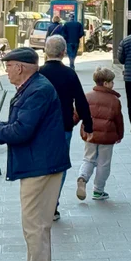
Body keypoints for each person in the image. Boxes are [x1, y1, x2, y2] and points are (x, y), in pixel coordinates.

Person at [0, 47, 69, 261]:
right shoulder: (33, 88)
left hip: (41, 165)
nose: (6, 71)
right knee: (33, 224)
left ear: (21, 67)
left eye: (8, 66)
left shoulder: (37, 90)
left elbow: (22, 130)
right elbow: (18, 125)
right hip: (38, 162)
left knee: (35, 224)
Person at [40, 35, 92, 221]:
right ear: (63, 52)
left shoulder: (39, 73)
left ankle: (42, 202)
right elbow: (81, 100)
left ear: (46, 51)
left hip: (41, 127)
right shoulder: (70, 74)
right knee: (59, 165)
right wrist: (88, 124)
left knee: (42, 164)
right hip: (63, 126)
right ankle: (53, 204)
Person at [75, 67, 123, 202]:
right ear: (106, 83)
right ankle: (98, 190)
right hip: (107, 137)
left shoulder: (87, 96)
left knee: (88, 158)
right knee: (103, 163)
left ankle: (83, 177)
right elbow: (118, 120)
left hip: (89, 134)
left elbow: (77, 113)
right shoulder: (114, 100)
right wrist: (120, 135)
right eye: (112, 82)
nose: (113, 84)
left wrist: (70, 123)